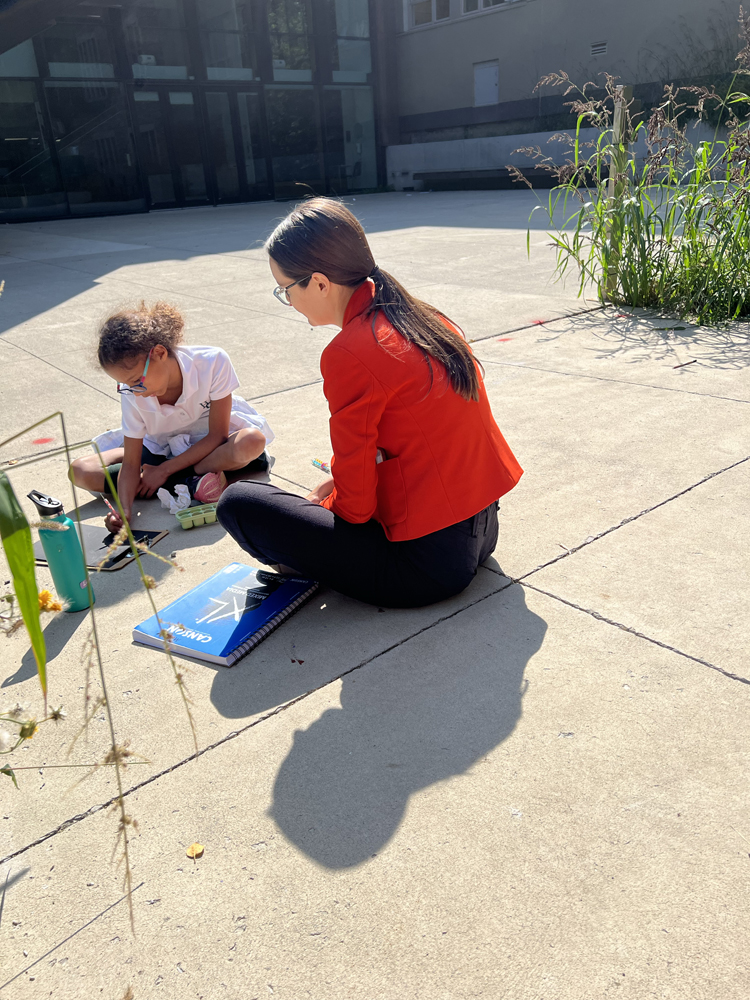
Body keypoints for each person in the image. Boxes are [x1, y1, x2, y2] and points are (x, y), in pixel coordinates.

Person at [218, 198, 523, 609]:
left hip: (425, 568)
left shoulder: (351, 351)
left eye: (286, 289)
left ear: (321, 283)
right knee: (324, 489)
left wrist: (324, 505)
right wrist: (336, 484)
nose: (288, 301)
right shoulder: (424, 317)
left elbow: (356, 510)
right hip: (480, 534)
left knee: (240, 504)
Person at [70, 301, 273, 532]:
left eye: (137, 381)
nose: (138, 391)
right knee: (81, 471)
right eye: (126, 385)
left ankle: (176, 479)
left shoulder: (212, 361)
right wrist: (124, 511)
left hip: (210, 449)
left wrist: (163, 471)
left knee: (251, 442)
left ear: (159, 353)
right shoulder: (133, 392)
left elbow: (217, 435)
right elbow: (131, 464)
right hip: (161, 448)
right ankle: (193, 482)